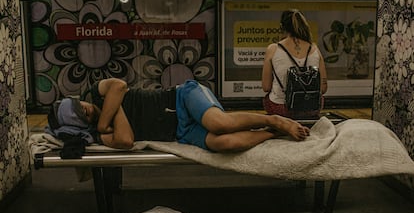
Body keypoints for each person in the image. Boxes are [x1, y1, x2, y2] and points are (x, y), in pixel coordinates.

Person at [49, 78, 310, 153]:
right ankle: (270, 133)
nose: (84, 107)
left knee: (219, 124)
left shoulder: (96, 92)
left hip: (182, 97)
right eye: (79, 114)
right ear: (80, 124)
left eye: (77, 104)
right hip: (180, 132)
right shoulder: (98, 135)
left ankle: (273, 119)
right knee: (224, 143)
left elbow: (118, 86)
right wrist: (113, 111)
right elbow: (127, 141)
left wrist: (105, 117)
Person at [262, 9, 328, 119]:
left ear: (282, 27)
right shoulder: (314, 48)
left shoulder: (273, 49)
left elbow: (266, 87)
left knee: (267, 98)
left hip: (281, 108)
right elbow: (323, 88)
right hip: (311, 108)